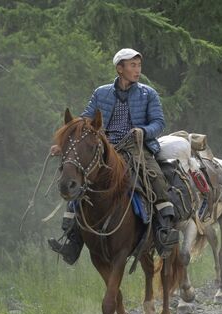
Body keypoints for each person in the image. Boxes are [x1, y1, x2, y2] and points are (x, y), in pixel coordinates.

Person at [48, 48, 179, 264]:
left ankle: (164, 230)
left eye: (139, 65)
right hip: (106, 148)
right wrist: (64, 146)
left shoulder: (149, 94)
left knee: (155, 177)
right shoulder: (101, 93)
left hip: (136, 147)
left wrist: (143, 131)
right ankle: (72, 240)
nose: (137, 70)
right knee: (80, 180)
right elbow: (85, 120)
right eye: (133, 65)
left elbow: (159, 123)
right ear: (120, 69)